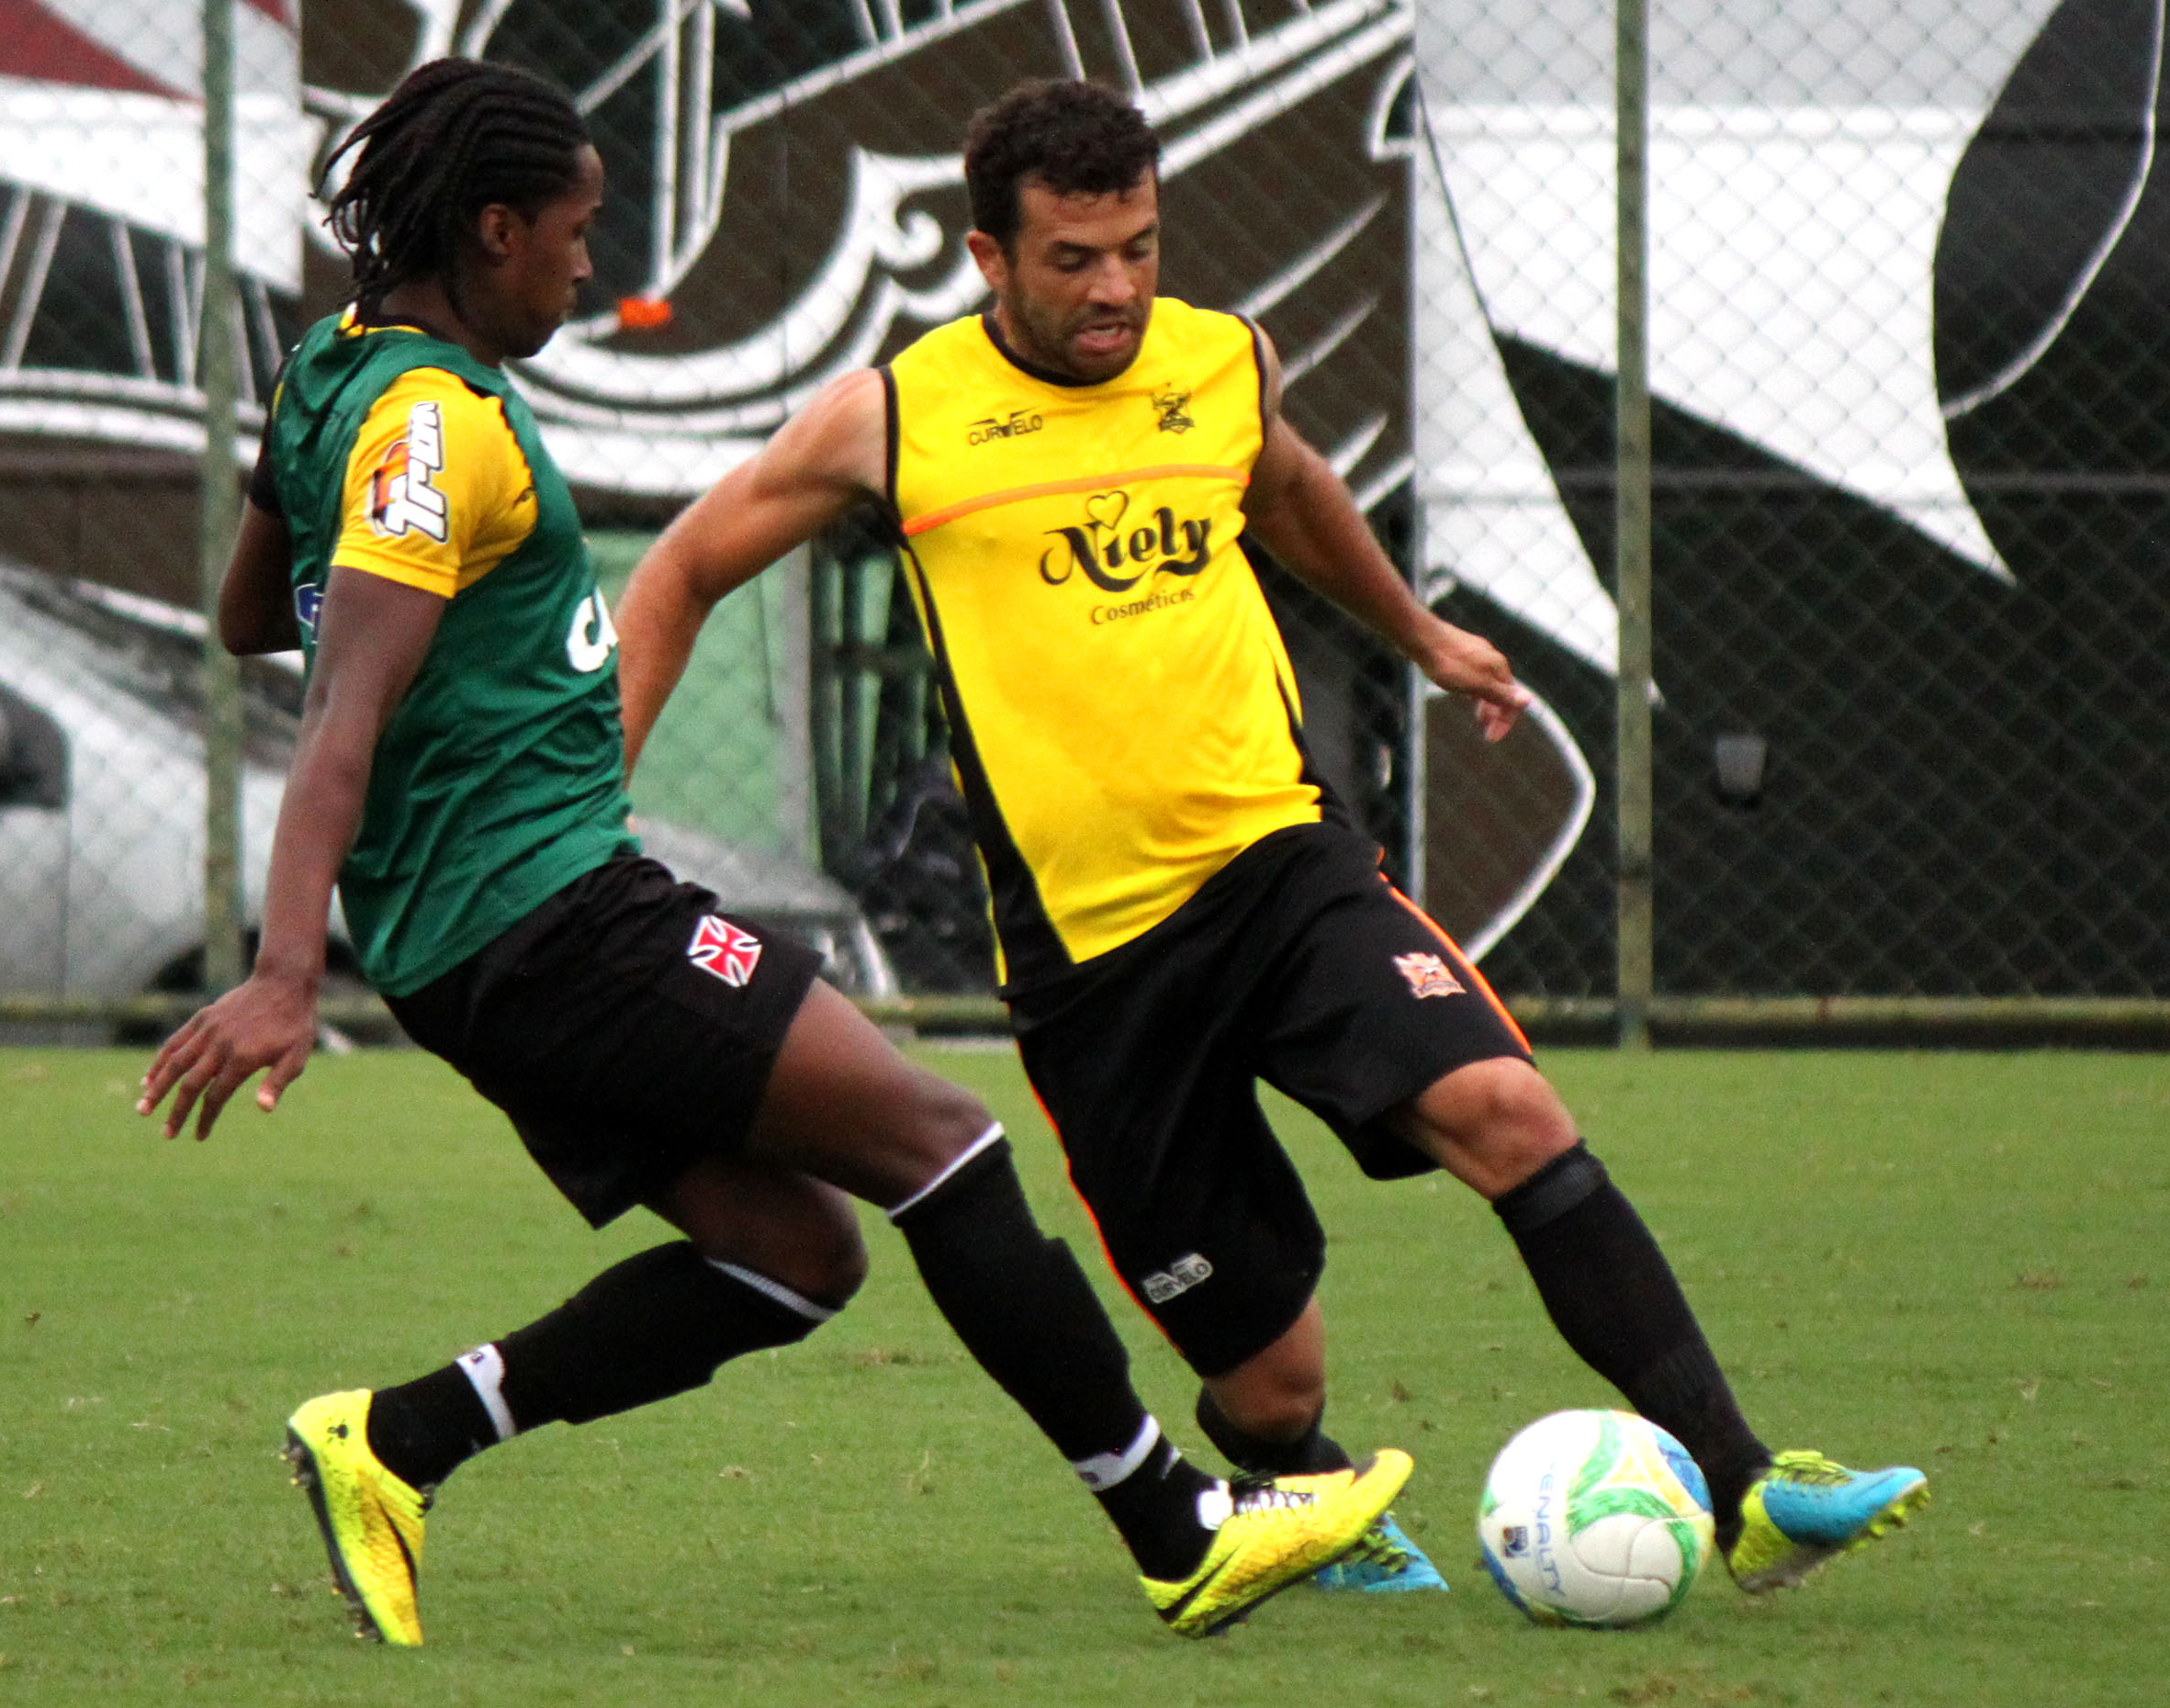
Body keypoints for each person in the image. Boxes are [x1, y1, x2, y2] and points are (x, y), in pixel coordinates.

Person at [133, 59, 1413, 1648]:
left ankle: (394, 1444)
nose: (590, 266)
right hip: (548, 915)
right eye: (575, 234)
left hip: (472, 944)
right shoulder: (430, 427)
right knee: (942, 1144)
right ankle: (1177, 1526)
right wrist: (278, 968)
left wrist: (470, 674)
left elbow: (257, 614)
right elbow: (340, 705)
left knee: (795, 1254)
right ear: (491, 227)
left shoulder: (333, 368)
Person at [616, 77, 1928, 1597]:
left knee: (1508, 1113)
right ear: (988, 257)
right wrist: (600, 800)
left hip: (1284, 867)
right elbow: (688, 563)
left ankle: (1751, 1489)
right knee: (1274, 1383)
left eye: (1140, 249)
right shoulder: (897, 416)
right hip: (1097, 966)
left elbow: (1289, 484)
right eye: (1073, 260)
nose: (1116, 290)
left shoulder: (1223, 362)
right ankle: (1301, 1499)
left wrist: (1423, 634)